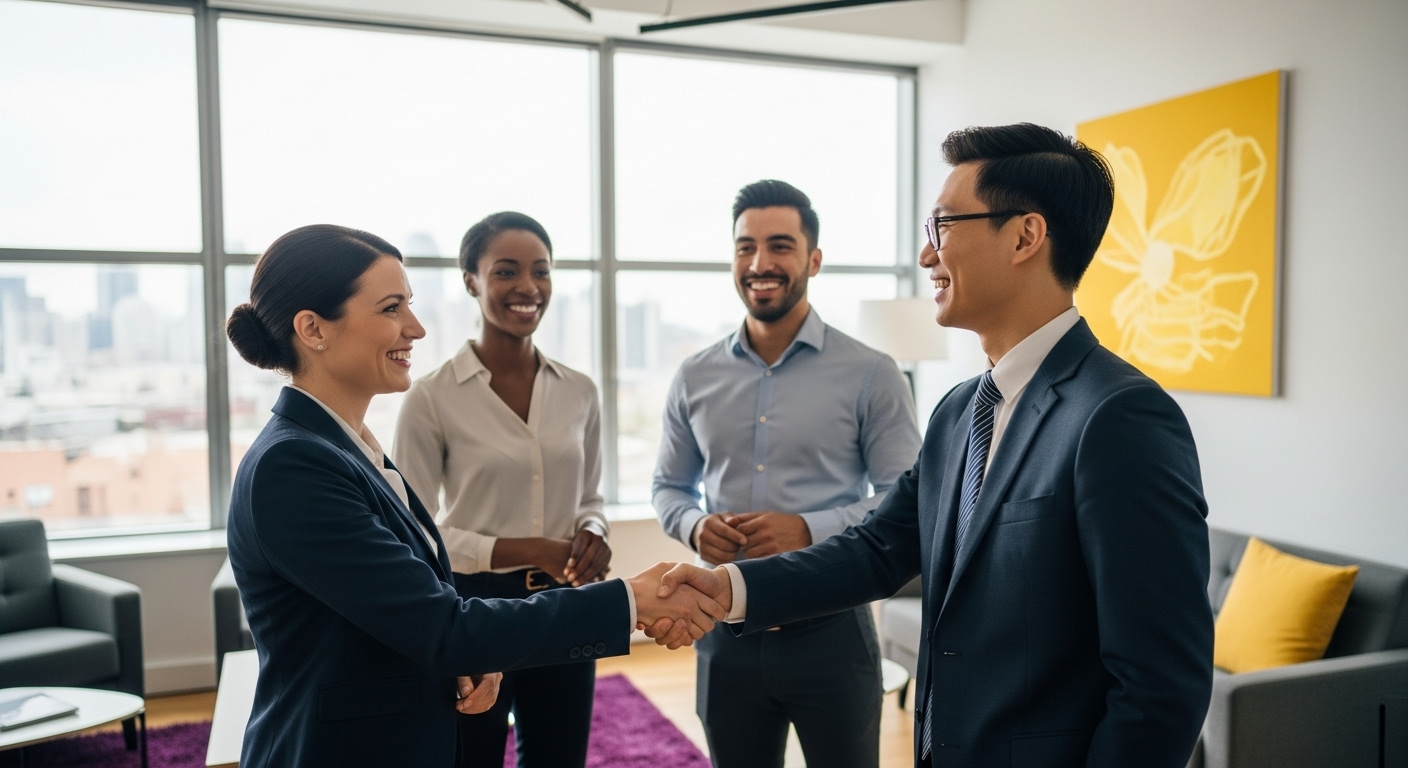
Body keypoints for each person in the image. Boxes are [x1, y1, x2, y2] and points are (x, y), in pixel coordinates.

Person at [650, 125, 1215, 768]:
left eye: (942, 226)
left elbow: (1161, 688)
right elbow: (877, 550)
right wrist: (726, 588)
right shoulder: (958, 411)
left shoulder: (1120, 417)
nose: (926, 256)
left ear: (1026, 237)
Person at [224, 224, 722, 767]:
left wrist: (456, 657)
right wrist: (633, 598)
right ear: (313, 329)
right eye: (392, 309)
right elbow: (441, 627)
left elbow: (401, 606)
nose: (415, 328)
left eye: (410, 306)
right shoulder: (292, 465)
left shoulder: (348, 449)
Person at [652, 180, 923, 768]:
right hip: (723, 631)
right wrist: (696, 527)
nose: (760, 263)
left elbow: (907, 498)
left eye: (780, 245)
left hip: (832, 632)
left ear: (813, 259)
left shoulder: (873, 373)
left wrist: (809, 528)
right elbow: (668, 487)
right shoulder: (694, 376)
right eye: (745, 247)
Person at [394, 212, 609, 768]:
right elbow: (414, 531)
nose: (527, 288)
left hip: (565, 604)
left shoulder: (580, 392)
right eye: (506, 271)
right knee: (471, 756)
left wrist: (594, 532)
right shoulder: (432, 397)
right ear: (472, 280)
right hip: (475, 608)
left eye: (541, 271)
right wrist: (533, 549)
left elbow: (590, 499)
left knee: (560, 757)